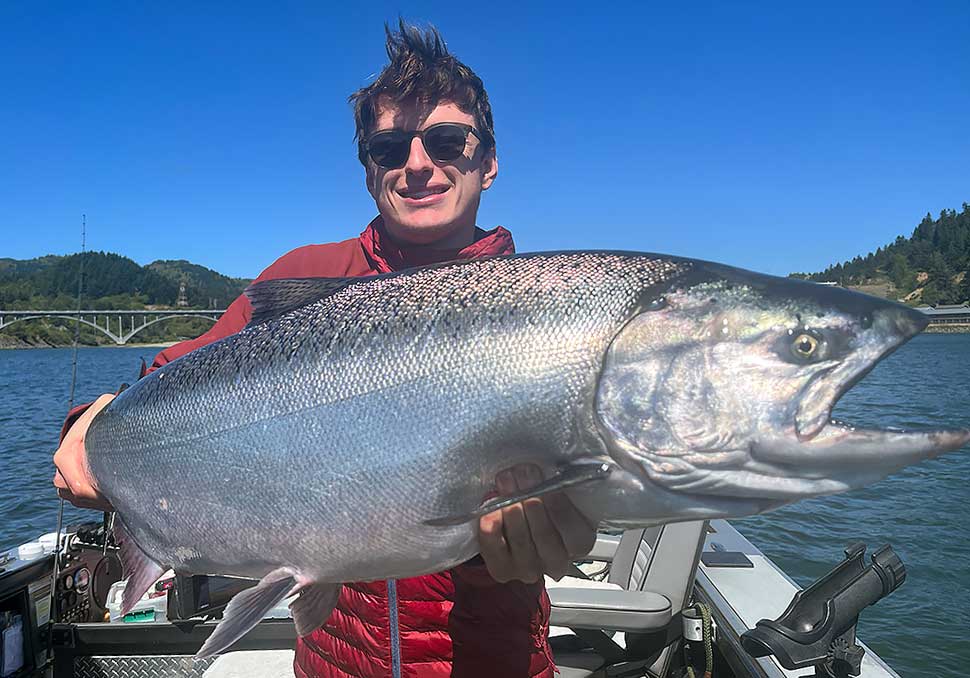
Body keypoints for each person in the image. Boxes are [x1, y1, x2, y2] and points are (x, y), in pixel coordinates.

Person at [53, 21, 598, 678]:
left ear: (488, 161)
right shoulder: (304, 276)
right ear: (368, 169)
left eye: (447, 141)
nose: (417, 163)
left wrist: (521, 550)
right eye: (389, 147)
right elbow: (167, 380)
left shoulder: (548, 315)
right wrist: (93, 420)